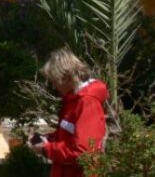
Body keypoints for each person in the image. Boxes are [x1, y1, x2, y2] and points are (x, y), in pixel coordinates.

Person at [30, 48, 109, 177]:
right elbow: (70, 135)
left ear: (67, 77)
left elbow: (83, 151)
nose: (54, 86)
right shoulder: (73, 99)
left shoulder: (87, 102)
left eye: (55, 81)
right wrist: (48, 139)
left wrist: (47, 149)